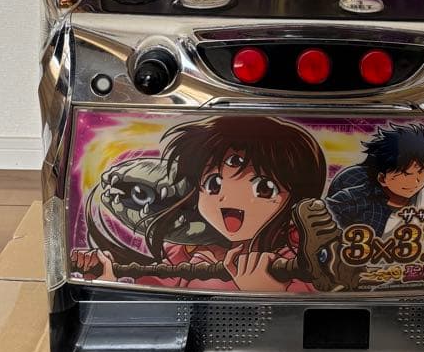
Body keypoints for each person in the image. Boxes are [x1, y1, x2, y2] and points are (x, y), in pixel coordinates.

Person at [71, 115, 326, 292]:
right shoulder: (189, 252)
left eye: (264, 189)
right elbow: (153, 300)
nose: (227, 198)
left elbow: (318, 314)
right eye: (214, 183)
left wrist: (268, 291)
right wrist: (106, 277)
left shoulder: (298, 255)